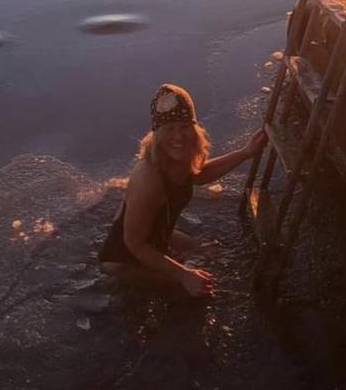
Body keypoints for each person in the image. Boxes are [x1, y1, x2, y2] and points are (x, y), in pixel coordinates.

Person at [99, 83, 267, 297]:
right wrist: (183, 275)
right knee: (205, 291)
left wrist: (245, 153)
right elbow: (134, 243)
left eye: (184, 126)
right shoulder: (148, 177)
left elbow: (199, 174)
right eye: (169, 129)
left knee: (210, 252)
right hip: (123, 262)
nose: (178, 136)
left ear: (194, 128)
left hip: (158, 239)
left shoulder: (178, 161)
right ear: (157, 134)